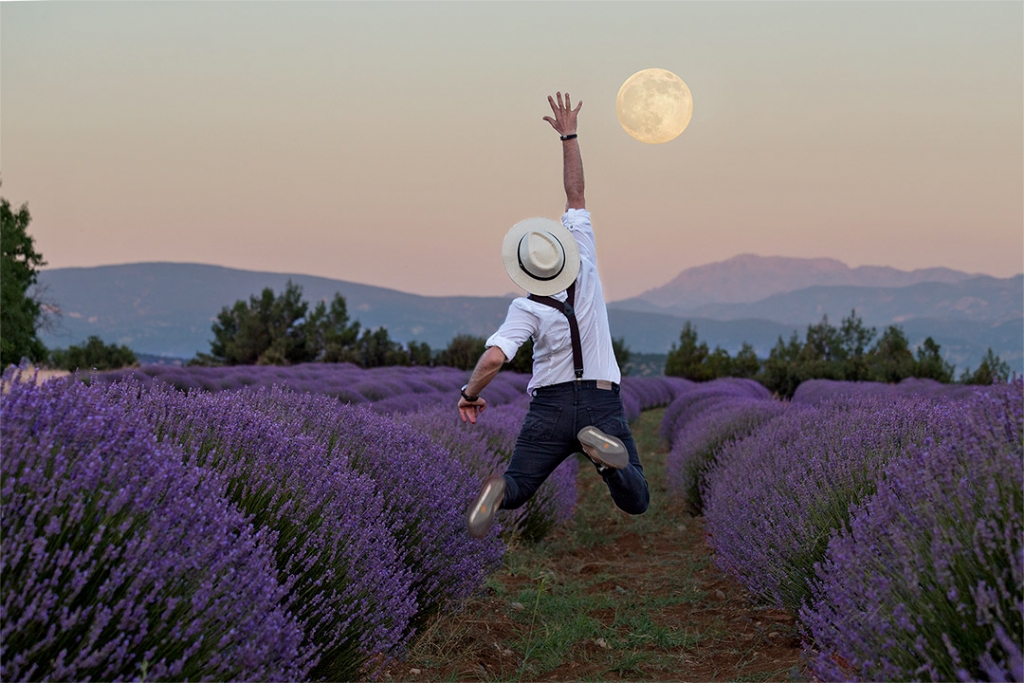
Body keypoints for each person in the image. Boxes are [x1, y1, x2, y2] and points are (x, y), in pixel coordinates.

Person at [459, 91, 651, 539]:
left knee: (522, 485)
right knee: (636, 498)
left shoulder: (525, 307)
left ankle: (499, 489)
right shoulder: (584, 262)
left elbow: (492, 360)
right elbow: (576, 192)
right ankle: (606, 460)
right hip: (601, 402)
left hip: (550, 406)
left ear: (523, 267)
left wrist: (469, 395)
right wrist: (569, 135)